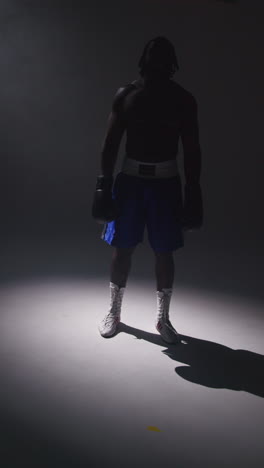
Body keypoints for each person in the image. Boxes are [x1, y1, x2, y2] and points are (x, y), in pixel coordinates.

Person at [92, 36, 203, 344]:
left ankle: (163, 319)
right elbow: (110, 144)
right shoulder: (127, 95)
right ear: (144, 61)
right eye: (153, 57)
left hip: (166, 183)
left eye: (163, 58)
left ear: (172, 64)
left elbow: (192, 149)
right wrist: (103, 184)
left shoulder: (183, 100)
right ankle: (114, 312)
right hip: (130, 181)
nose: (157, 64)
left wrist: (193, 190)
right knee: (122, 248)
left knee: (164, 251)